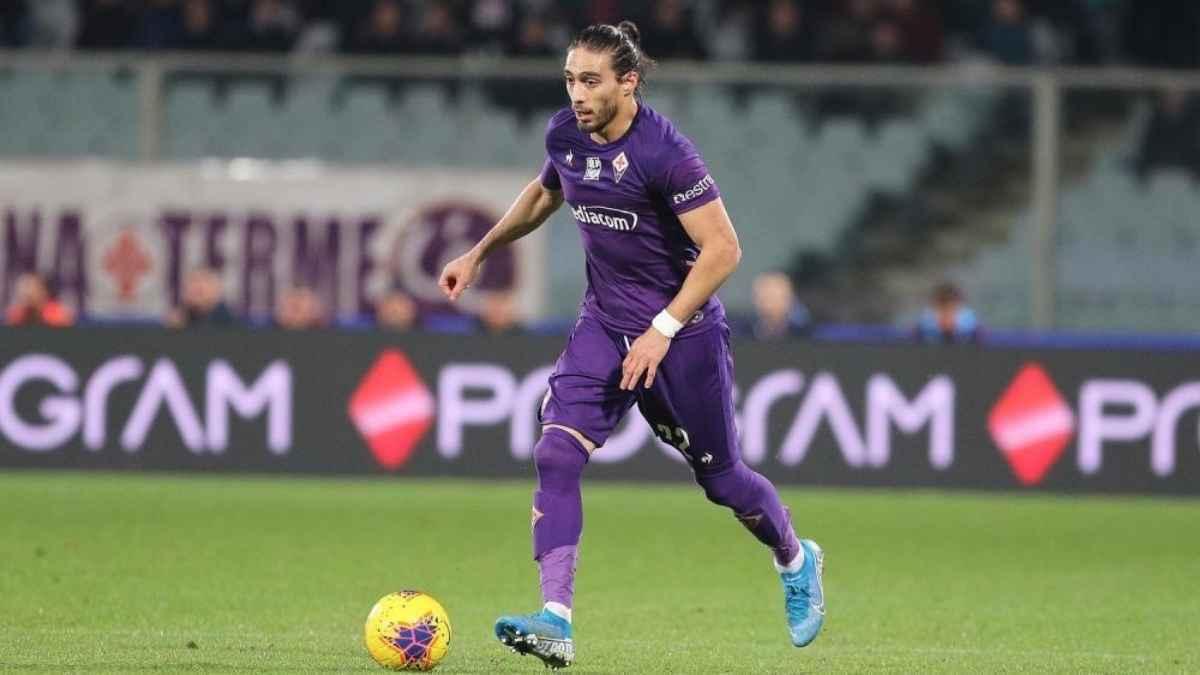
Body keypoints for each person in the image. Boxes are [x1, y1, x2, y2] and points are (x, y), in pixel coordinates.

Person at [438, 20, 824, 669]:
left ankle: (795, 555)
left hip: (684, 335)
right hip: (604, 324)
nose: (578, 93)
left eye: (590, 80)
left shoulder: (665, 153)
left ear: (628, 82)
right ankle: (556, 619)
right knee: (556, 451)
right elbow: (543, 194)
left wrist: (663, 329)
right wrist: (480, 251)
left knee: (722, 479)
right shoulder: (565, 134)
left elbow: (724, 249)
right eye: (569, 79)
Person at [915, 281, 982, 344]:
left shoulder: (980, 336)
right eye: (942, 310)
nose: (947, 317)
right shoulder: (915, 336)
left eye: (952, 310)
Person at [167, 267, 235, 328]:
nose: (194, 287)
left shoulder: (228, 323)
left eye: (200, 291)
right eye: (192, 282)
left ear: (217, 290)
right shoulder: (180, 320)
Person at [5, 272, 74, 326]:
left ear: (44, 292)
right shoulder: (16, 315)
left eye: (32, 287)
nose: (27, 293)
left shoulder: (59, 316)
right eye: (25, 288)